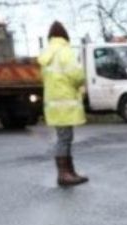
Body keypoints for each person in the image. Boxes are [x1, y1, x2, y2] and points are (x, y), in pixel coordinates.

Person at [38, 21, 88, 187]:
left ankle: (69, 171)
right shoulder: (64, 51)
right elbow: (76, 74)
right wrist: (82, 81)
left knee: (64, 137)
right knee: (64, 138)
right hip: (65, 101)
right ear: (64, 35)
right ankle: (64, 174)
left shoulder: (47, 54)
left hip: (54, 103)